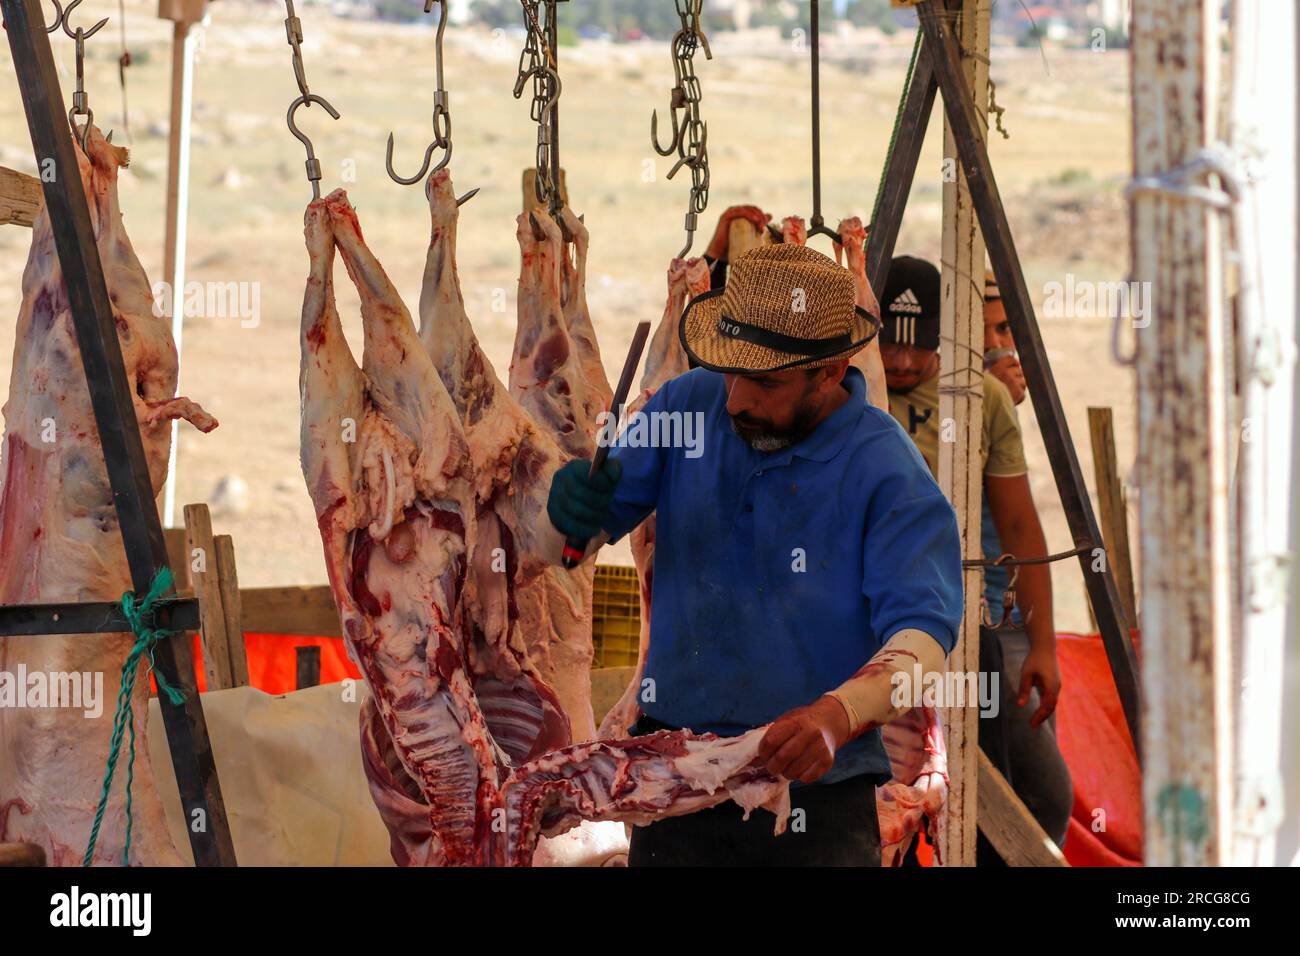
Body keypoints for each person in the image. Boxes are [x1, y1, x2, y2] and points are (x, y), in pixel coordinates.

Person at [545, 243, 963, 866]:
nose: (736, 399)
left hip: (817, 798)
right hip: (676, 783)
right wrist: (567, 514)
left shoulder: (887, 470)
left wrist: (835, 716)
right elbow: (570, 547)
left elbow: (924, 638)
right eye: (731, 371)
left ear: (830, 370)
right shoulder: (688, 404)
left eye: (765, 382)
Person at [878, 255, 1073, 853]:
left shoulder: (980, 397)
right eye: (892, 346)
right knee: (886, 803)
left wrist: (1041, 645)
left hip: (968, 630)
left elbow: (1018, 522)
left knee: (1036, 795)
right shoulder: (846, 388)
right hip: (866, 633)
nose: (905, 362)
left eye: (921, 348)